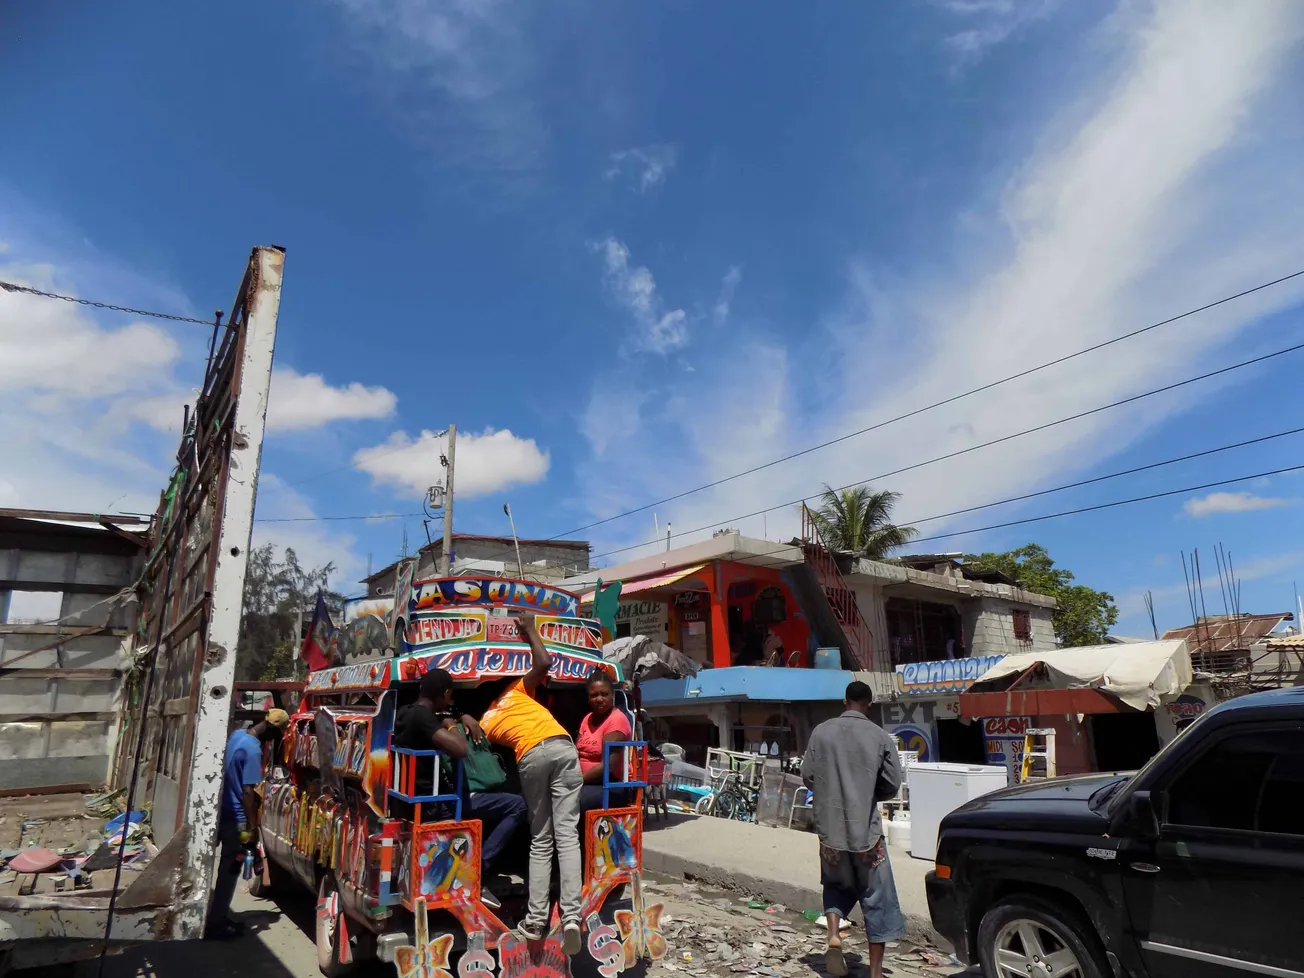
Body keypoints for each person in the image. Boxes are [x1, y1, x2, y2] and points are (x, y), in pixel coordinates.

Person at [479, 614, 583, 953]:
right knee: (568, 836)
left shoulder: (485, 721)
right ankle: (570, 917)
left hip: (531, 757)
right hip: (563, 746)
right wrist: (528, 630)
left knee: (541, 839)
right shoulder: (519, 690)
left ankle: (536, 920)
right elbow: (544, 661)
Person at [393, 669, 525, 910]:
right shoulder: (423, 718)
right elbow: (460, 748)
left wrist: (460, 715)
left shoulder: (406, 712)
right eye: (450, 696)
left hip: (416, 801)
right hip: (437, 804)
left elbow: (440, 717)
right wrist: (453, 726)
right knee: (516, 805)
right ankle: (478, 870)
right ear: (445, 693)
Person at [800, 681, 904, 978]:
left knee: (835, 885)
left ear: (845, 701)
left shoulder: (821, 732)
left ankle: (834, 936)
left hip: (830, 834)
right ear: (868, 705)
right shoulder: (880, 736)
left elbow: (808, 775)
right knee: (877, 899)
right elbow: (892, 784)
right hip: (867, 838)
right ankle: (874, 972)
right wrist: (867, 792)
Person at [206, 707, 290, 939]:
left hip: (222, 811)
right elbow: (247, 793)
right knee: (231, 869)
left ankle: (213, 914)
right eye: (278, 734)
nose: (277, 739)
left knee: (216, 866)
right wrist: (252, 830)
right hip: (239, 821)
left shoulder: (237, 735)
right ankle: (217, 923)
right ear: (271, 728)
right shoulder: (253, 750)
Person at [577, 668, 633, 814]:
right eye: (594, 695)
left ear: (613, 695)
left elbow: (608, 767)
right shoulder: (587, 718)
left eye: (604, 694)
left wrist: (575, 781)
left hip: (610, 785)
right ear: (588, 698)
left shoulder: (617, 720)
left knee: (570, 800)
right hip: (586, 783)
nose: (599, 699)